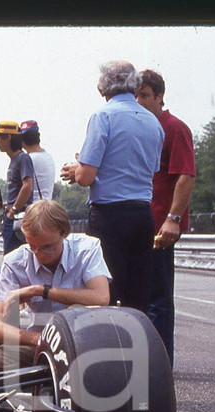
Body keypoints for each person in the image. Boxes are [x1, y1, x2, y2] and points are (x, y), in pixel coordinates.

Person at [60, 60, 163, 313]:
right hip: (142, 215)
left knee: (104, 292)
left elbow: (86, 177)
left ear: (102, 87)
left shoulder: (103, 116)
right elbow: (151, 169)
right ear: (135, 85)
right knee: (136, 296)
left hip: (109, 215)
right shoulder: (153, 123)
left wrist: (77, 169)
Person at [0, 200, 111, 371]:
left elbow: (101, 297)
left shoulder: (86, 248)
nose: (40, 254)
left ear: (64, 233)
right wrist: (38, 339)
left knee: (76, 308)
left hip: (83, 343)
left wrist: (41, 290)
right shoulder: (14, 261)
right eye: (33, 247)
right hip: (38, 343)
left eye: (48, 247)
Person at [137, 69, 195, 367]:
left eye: (145, 95)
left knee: (158, 300)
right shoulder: (141, 128)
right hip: (138, 223)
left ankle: (161, 367)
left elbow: (186, 176)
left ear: (159, 96)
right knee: (138, 297)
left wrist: (173, 218)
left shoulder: (174, 128)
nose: (139, 101)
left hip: (161, 225)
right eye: (135, 95)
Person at [0, 120, 35, 255]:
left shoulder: (23, 159)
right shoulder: (14, 160)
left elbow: (28, 186)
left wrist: (13, 210)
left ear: (8, 137)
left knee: (12, 261)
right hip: (12, 216)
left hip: (17, 218)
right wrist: (5, 205)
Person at [19, 120, 55, 204]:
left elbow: (26, 189)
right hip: (46, 209)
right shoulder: (48, 156)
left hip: (33, 210)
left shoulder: (28, 159)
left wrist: (13, 209)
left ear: (22, 140)